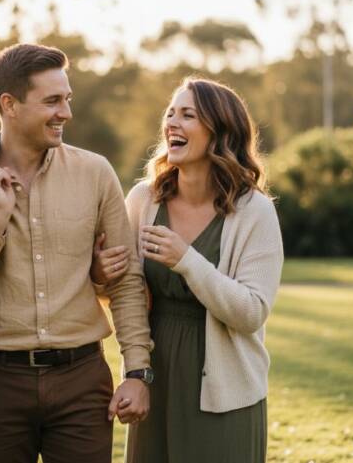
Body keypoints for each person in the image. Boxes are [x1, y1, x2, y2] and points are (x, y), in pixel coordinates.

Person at [0, 43, 154, 463]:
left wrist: (137, 372)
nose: (66, 113)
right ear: (10, 104)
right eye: (52, 101)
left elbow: (126, 281)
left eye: (67, 99)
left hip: (81, 380)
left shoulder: (96, 174)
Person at [92, 77, 283, 463]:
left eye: (188, 115)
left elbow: (251, 312)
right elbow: (123, 292)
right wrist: (99, 274)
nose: (172, 124)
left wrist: (187, 260)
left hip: (226, 392)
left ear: (220, 131)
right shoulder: (143, 199)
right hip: (154, 379)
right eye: (170, 113)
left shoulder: (255, 211)